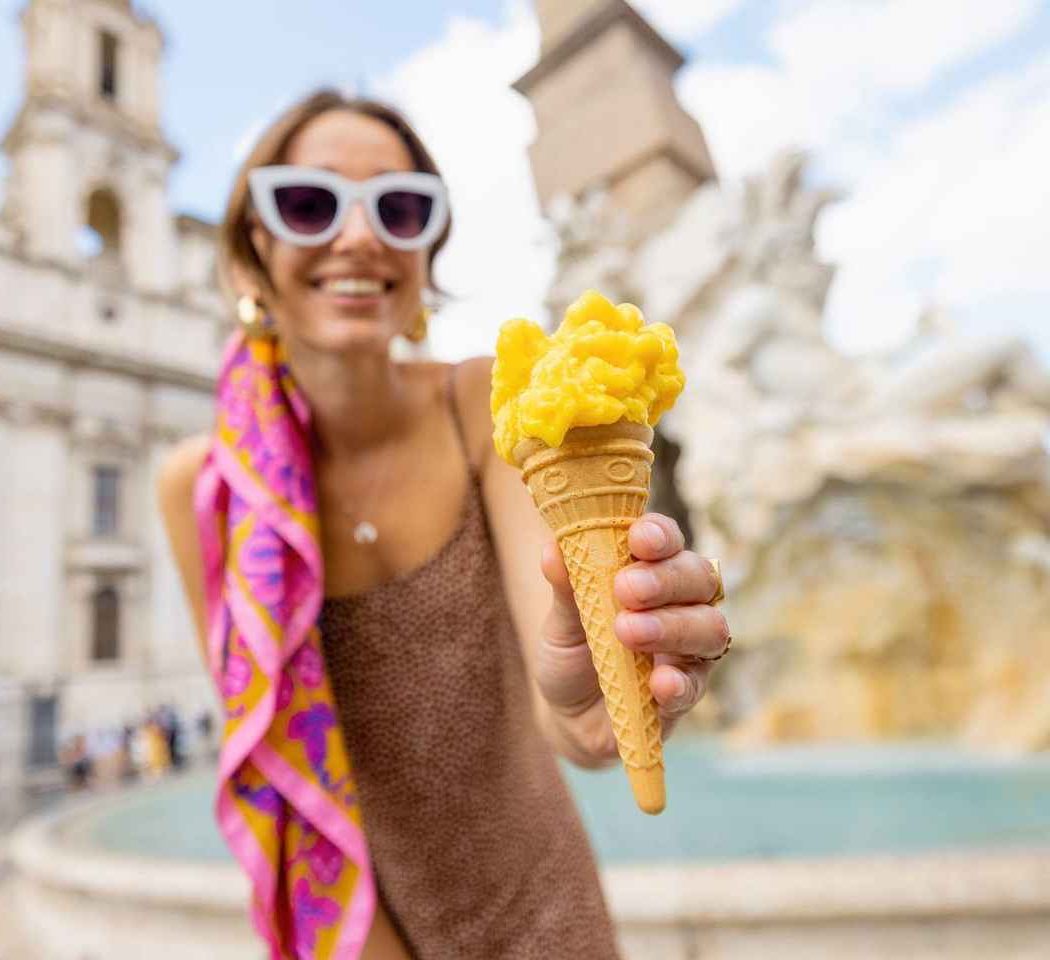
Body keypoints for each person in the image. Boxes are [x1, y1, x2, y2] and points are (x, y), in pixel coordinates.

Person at [157, 90, 731, 959]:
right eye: (308, 203)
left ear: (425, 254)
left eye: (400, 207)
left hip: (546, 915)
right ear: (252, 252)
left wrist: (604, 680)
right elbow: (268, 766)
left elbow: (574, 721)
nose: (358, 236)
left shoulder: (485, 408)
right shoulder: (201, 487)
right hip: (357, 938)